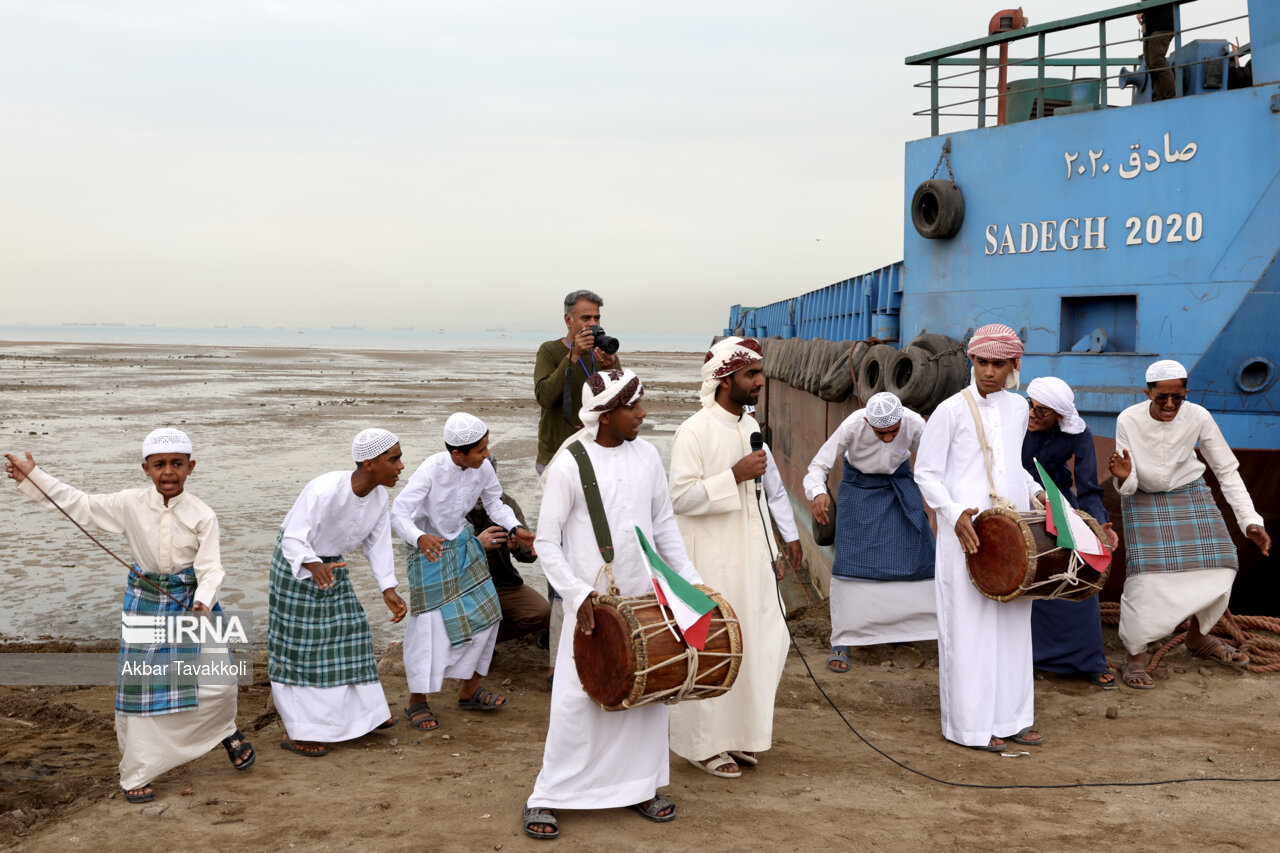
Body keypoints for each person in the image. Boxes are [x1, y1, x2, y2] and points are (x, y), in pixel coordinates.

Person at [5, 429, 253, 804]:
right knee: (143, 688)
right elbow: (80, 503)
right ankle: (138, 771)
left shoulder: (204, 514)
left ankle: (224, 730)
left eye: (177, 464)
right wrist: (34, 477)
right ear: (146, 469)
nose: (168, 472)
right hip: (146, 599)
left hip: (192, 601)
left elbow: (212, 568)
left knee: (220, 682)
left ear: (191, 467)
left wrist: (203, 601)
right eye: (159, 465)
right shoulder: (128, 503)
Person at [523, 368, 701, 840]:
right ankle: (550, 794)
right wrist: (578, 595)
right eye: (633, 407)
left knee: (646, 695)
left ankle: (640, 786)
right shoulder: (568, 463)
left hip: (645, 601)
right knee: (577, 701)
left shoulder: (647, 457)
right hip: (593, 608)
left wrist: (693, 585)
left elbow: (664, 528)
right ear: (605, 414)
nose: (643, 414)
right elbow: (546, 542)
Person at [667, 336, 801, 778]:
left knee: (761, 642)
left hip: (754, 557)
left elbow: (771, 489)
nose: (760, 382)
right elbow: (680, 498)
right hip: (713, 561)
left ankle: (740, 736)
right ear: (725, 381)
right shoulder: (694, 431)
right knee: (715, 647)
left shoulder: (749, 426)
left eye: (759, 373)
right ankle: (702, 745)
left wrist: (787, 538)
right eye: (751, 374)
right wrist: (733, 476)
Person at [914, 324, 1047, 752]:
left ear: (1014, 365)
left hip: (1009, 533)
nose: (989, 371)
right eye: (982, 362)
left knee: (1013, 625)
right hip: (966, 535)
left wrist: (1038, 493)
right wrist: (953, 515)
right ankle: (970, 727)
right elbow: (926, 474)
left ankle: (1013, 719)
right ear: (972, 361)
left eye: (998, 364)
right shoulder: (950, 410)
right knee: (968, 629)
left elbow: (1014, 467)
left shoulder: (1019, 408)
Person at [1109, 359, 1271, 689]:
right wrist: (1123, 480)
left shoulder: (1199, 416)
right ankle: (1136, 654)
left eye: (1177, 397)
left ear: (1186, 394)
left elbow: (1226, 470)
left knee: (1224, 563)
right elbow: (1128, 478)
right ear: (1147, 393)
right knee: (1145, 578)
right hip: (1142, 493)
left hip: (1189, 489)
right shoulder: (1128, 419)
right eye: (1161, 398)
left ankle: (1198, 637)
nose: (1170, 405)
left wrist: (1250, 521)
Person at [390, 413, 536, 731]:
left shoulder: (482, 468)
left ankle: (469, 690)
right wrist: (419, 537)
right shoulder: (431, 470)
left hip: (464, 544)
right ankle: (416, 701)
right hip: (429, 550)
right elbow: (398, 512)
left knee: (488, 614)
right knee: (429, 626)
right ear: (458, 454)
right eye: (481, 450)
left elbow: (495, 502)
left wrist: (515, 527)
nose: (486, 455)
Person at [268, 428, 408, 757]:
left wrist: (388, 587)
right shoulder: (324, 489)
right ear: (370, 463)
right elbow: (293, 537)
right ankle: (297, 730)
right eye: (394, 459)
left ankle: (367, 716)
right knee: (300, 645)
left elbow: (377, 542)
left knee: (352, 630)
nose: (401, 466)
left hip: (332, 565)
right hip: (296, 564)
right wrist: (312, 564)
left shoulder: (378, 497)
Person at [803, 391, 936, 673]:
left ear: (901, 421)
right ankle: (842, 639)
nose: (888, 438)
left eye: (893, 432)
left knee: (920, 551)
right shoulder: (853, 424)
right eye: (881, 433)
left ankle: (917, 629)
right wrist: (818, 493)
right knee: (850, 563)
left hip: (900, 487)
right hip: (858, 491)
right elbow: (818, 465)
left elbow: (938, 461)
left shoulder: (914, 423)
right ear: (867, 421)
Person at [1022, 377, 1120, 689]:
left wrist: (1099, 524)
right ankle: (1023, 656)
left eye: (1042, 412)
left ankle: (1087, 660)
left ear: (1060, 417)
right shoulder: (1011, 421)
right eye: (1031, 407)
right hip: (1014, 501)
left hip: (1061, 504)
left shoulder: (1078, 433)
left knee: (1080, 572)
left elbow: (1090, 489)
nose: (1033, 415)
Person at [464, 460, 551, 646]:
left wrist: (517, 547)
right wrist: (477, 545)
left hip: (502, 583)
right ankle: (470, 640)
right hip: (463, 587)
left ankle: (485, 642)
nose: (480, 491)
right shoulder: (450, 507)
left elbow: (530, 555)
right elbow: (440, 558)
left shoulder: (506, 504)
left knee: (541, 613)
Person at [534, 289, 620, 473]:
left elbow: (621, 401)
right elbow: (544, 397)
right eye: (586, 318)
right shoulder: (549, 350)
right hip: (557, 453)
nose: (593, 324)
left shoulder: (603, 352)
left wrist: (610, 369)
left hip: (597, 450)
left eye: (597, 318)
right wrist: (573, 355)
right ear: (568, 320)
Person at [1139, 2, 1177, 102]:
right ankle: (1161, 97)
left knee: (1157, 60)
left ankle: (1170, 96)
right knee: (1151, 65)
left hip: (1161, 25)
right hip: (1149, 29)